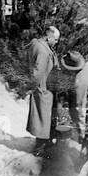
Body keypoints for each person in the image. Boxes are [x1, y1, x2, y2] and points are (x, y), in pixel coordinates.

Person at [26, 26, 58, 154]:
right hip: (42, 88)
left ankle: (43, 144)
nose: (56, 42)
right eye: (55, 39)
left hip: (41, 86)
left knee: (41, 116)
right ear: (48, 37)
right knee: (42, 117)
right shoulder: (43, 51)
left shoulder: (36, 44)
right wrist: (33, 87)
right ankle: (39, 148)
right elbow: (38, 72)